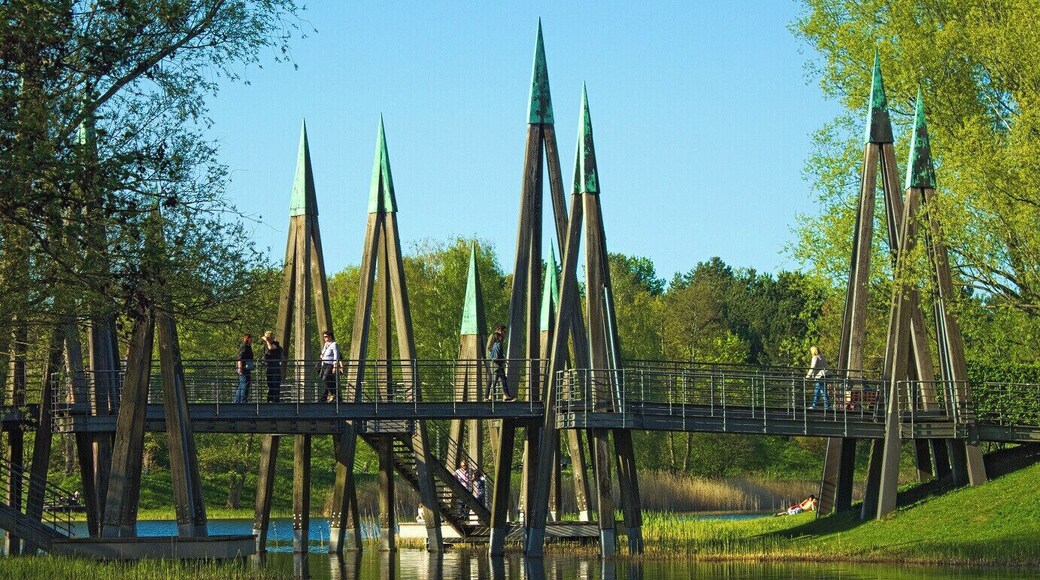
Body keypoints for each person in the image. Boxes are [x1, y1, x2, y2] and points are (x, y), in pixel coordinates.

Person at [485, 325, 513, 401]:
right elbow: (489, 347)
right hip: (494, 361)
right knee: (494, 379)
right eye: (504, 331)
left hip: (498, 361)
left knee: (501, 378)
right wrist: (492, 358)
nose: (505, 333)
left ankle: (504, 395)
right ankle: (489, 396)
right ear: (500, 330)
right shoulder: (494, 335)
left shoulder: (500, 337)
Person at [319, 330, 342, 402]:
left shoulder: (334, 344)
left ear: (330, 337)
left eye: (326, 337)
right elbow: (323, 354)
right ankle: (331, 397)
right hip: (324, 364)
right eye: (324, 337)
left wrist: (335, 366)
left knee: (325, 379)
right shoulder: (326, 345)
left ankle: (333, 395)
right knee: (329, 381)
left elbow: (336, 356)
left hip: (330, 364)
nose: (324, 338)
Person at [262, 331, 284, 403]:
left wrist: (267, 341)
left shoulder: (276, 344)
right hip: (269, 366)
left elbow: (271, 348)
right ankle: (270, 399)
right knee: (270, 383)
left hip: (275, 366)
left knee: (275, 383)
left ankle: (276, 399)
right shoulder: (265, 346)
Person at [233, 333, 254, 403]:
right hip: (244, 368)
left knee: (242, 384)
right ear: (247, 338)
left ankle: (237, 401)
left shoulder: (248, 347)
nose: (252, 339)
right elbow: (240, 358)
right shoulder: (244, 347)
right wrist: (240, 368)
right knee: (245, 383)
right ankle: (243, 400)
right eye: (251, 338)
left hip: (246, 367)